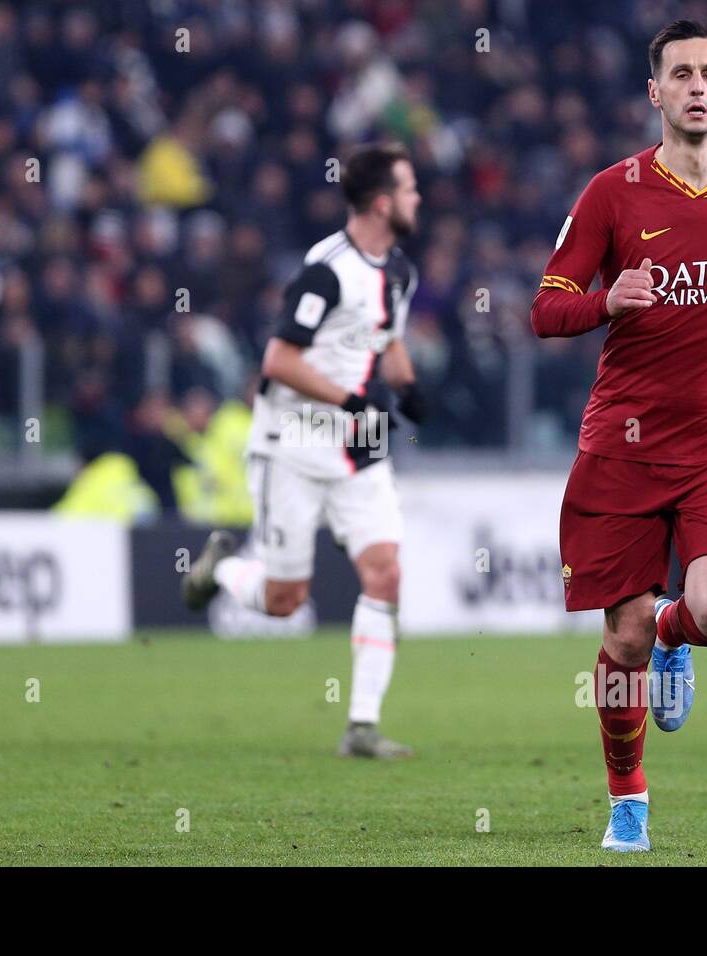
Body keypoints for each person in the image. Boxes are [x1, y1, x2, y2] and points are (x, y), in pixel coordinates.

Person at [530, 20, 707, 851]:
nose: (693, 84)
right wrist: (604, 303)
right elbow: (545, 309)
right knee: (622, 638)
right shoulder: (611, 193)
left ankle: (678, 639)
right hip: (623, 444)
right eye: (678, 72)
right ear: (655, 92)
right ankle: (629, 802)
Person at [181, 142, 427, 759]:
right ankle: (225, 567)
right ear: (381, 201)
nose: (418, 197)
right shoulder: (325, 269)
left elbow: (387, 341)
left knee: (386, 571)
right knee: (284, 600)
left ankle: (361, 727)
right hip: (292, 442)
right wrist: (349, 399)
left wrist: (412, 392)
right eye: (409, 188)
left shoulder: (399, 270)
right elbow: (278, 359)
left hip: (359, 445)